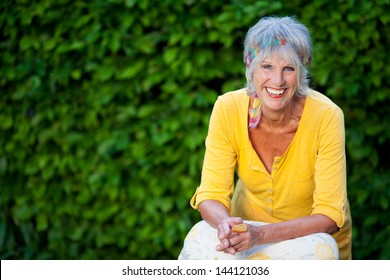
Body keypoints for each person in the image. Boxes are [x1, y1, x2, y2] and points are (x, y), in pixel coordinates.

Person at [178, 16, 352, 260]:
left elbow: (330, 216)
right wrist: (227, 225)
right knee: (199, 238)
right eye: (267, 66)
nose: (277, 81)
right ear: (251, 69)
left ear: (301, 72)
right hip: (243, 235)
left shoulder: (326, 116)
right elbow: (211, 195)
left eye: (288, 69)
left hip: (309, 239)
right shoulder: (228, 108)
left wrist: (260, 235)